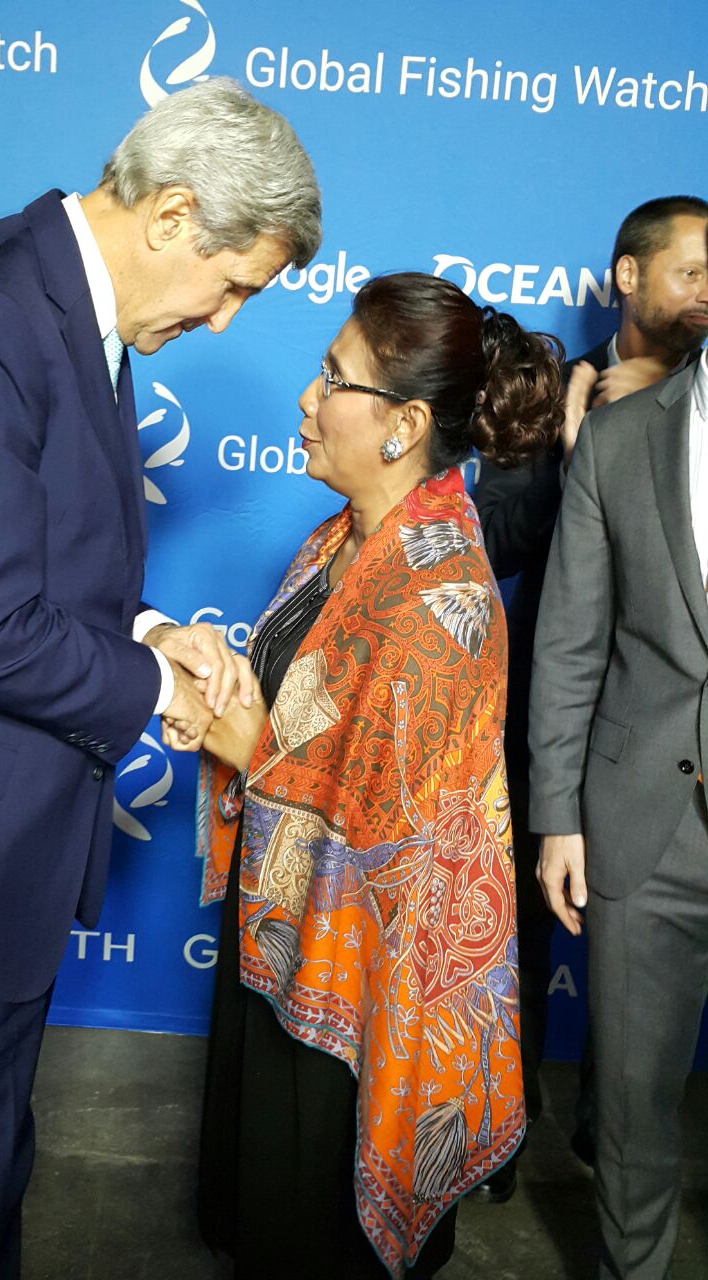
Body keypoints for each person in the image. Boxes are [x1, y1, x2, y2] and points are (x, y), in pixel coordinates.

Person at [0, 79, 320, 1280]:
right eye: (237, 281)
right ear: (175, 213)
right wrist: (157, 689)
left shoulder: (71, 307)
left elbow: (29, 547)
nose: (230, 319)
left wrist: (148, 623)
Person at [189, 272, 564, 1278]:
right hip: (284, 955)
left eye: (332, 378)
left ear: (402, 424)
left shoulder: (444, 596)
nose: (306, 400)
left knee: (313, 1240)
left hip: (357, 1004)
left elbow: (384, 830)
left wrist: (245, 743)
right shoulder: (342, 538)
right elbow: (308, 718)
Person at [473, 194, 708, 1187]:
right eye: (689, 271)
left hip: (676, 753)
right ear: (628, 278)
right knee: (536, 929)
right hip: (566, 727)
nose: (705, 291)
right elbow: (506, 545)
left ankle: (606, 1135)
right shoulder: (566, 392)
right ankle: (508, 1128)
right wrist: (579, 457)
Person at [529, 253, 708, 1277]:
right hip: (644, 825)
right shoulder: (618, 438)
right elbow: (568, 645)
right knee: (636, 1106)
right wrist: (558, 813)